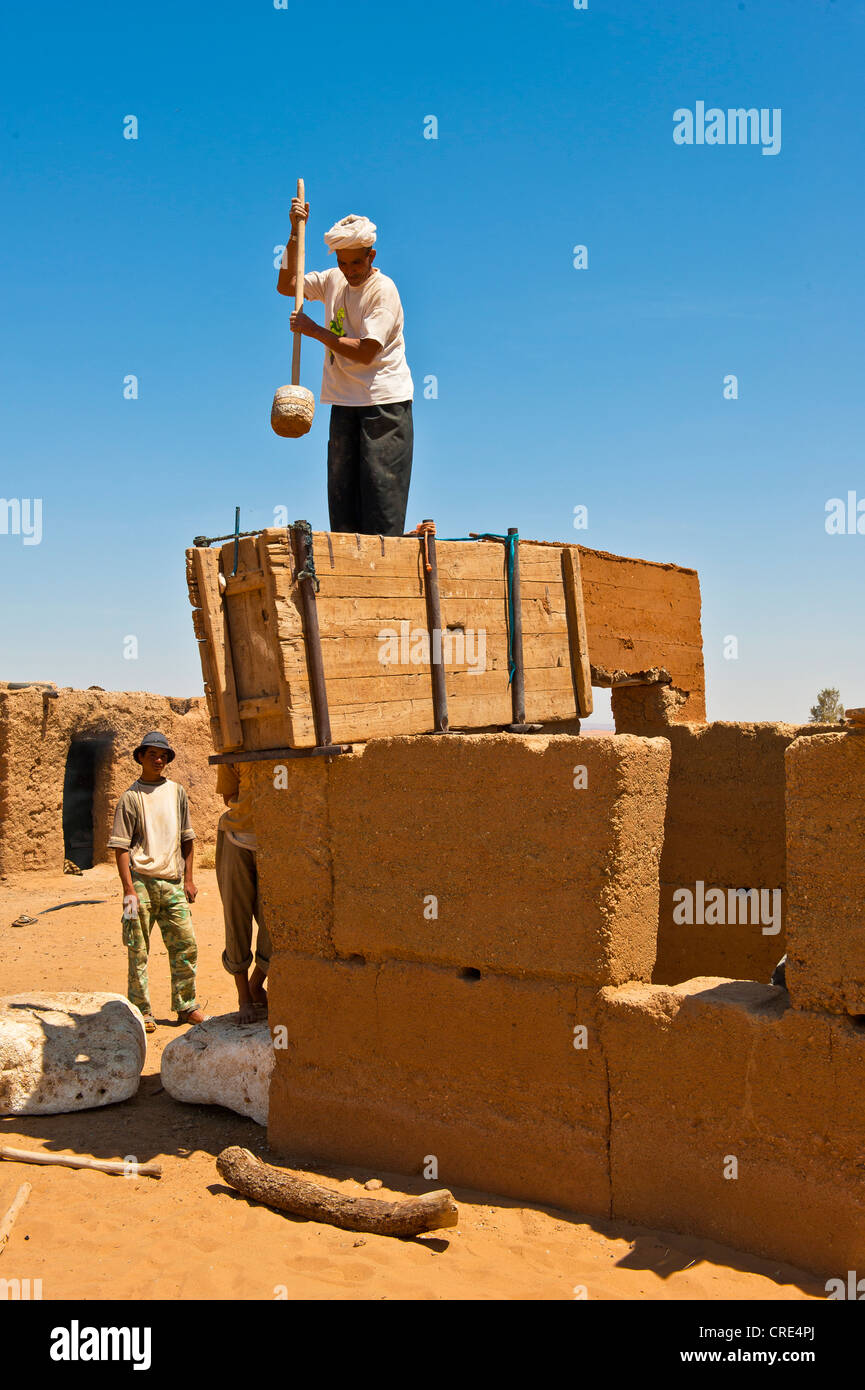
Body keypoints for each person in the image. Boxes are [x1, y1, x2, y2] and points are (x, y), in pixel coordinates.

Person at [277, 200, 414, 536]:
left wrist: (314, 331)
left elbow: (366, 351)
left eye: (356, 263)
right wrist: (295, 231)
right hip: (343, 404)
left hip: (384, 406)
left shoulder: (382, 291)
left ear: (371, 257)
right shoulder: (333, 279)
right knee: (343, 505)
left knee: (381, 504)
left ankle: (383, 577)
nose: (350, 271)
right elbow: (287, 285)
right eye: (343, 263)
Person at [108, 731, 206, 1032]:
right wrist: (128, 890)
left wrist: (188, 878)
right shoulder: (130, 798)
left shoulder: (177, 793)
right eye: (152, 755)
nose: (159, 760)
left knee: (186, 945)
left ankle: (185, 1005)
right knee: (137, 949)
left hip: (173, 883)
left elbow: (188, 839)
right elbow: (121, 848)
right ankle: (141, 1011)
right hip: (140, 884)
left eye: (163, 755)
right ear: (140, 758)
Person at [215, 761, 271, 1024]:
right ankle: (244, 998)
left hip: (276, 843)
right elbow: (229, 796)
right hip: (236, 839)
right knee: (236, 918)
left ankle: (255, 983)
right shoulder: (231, 750)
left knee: (276, 922)